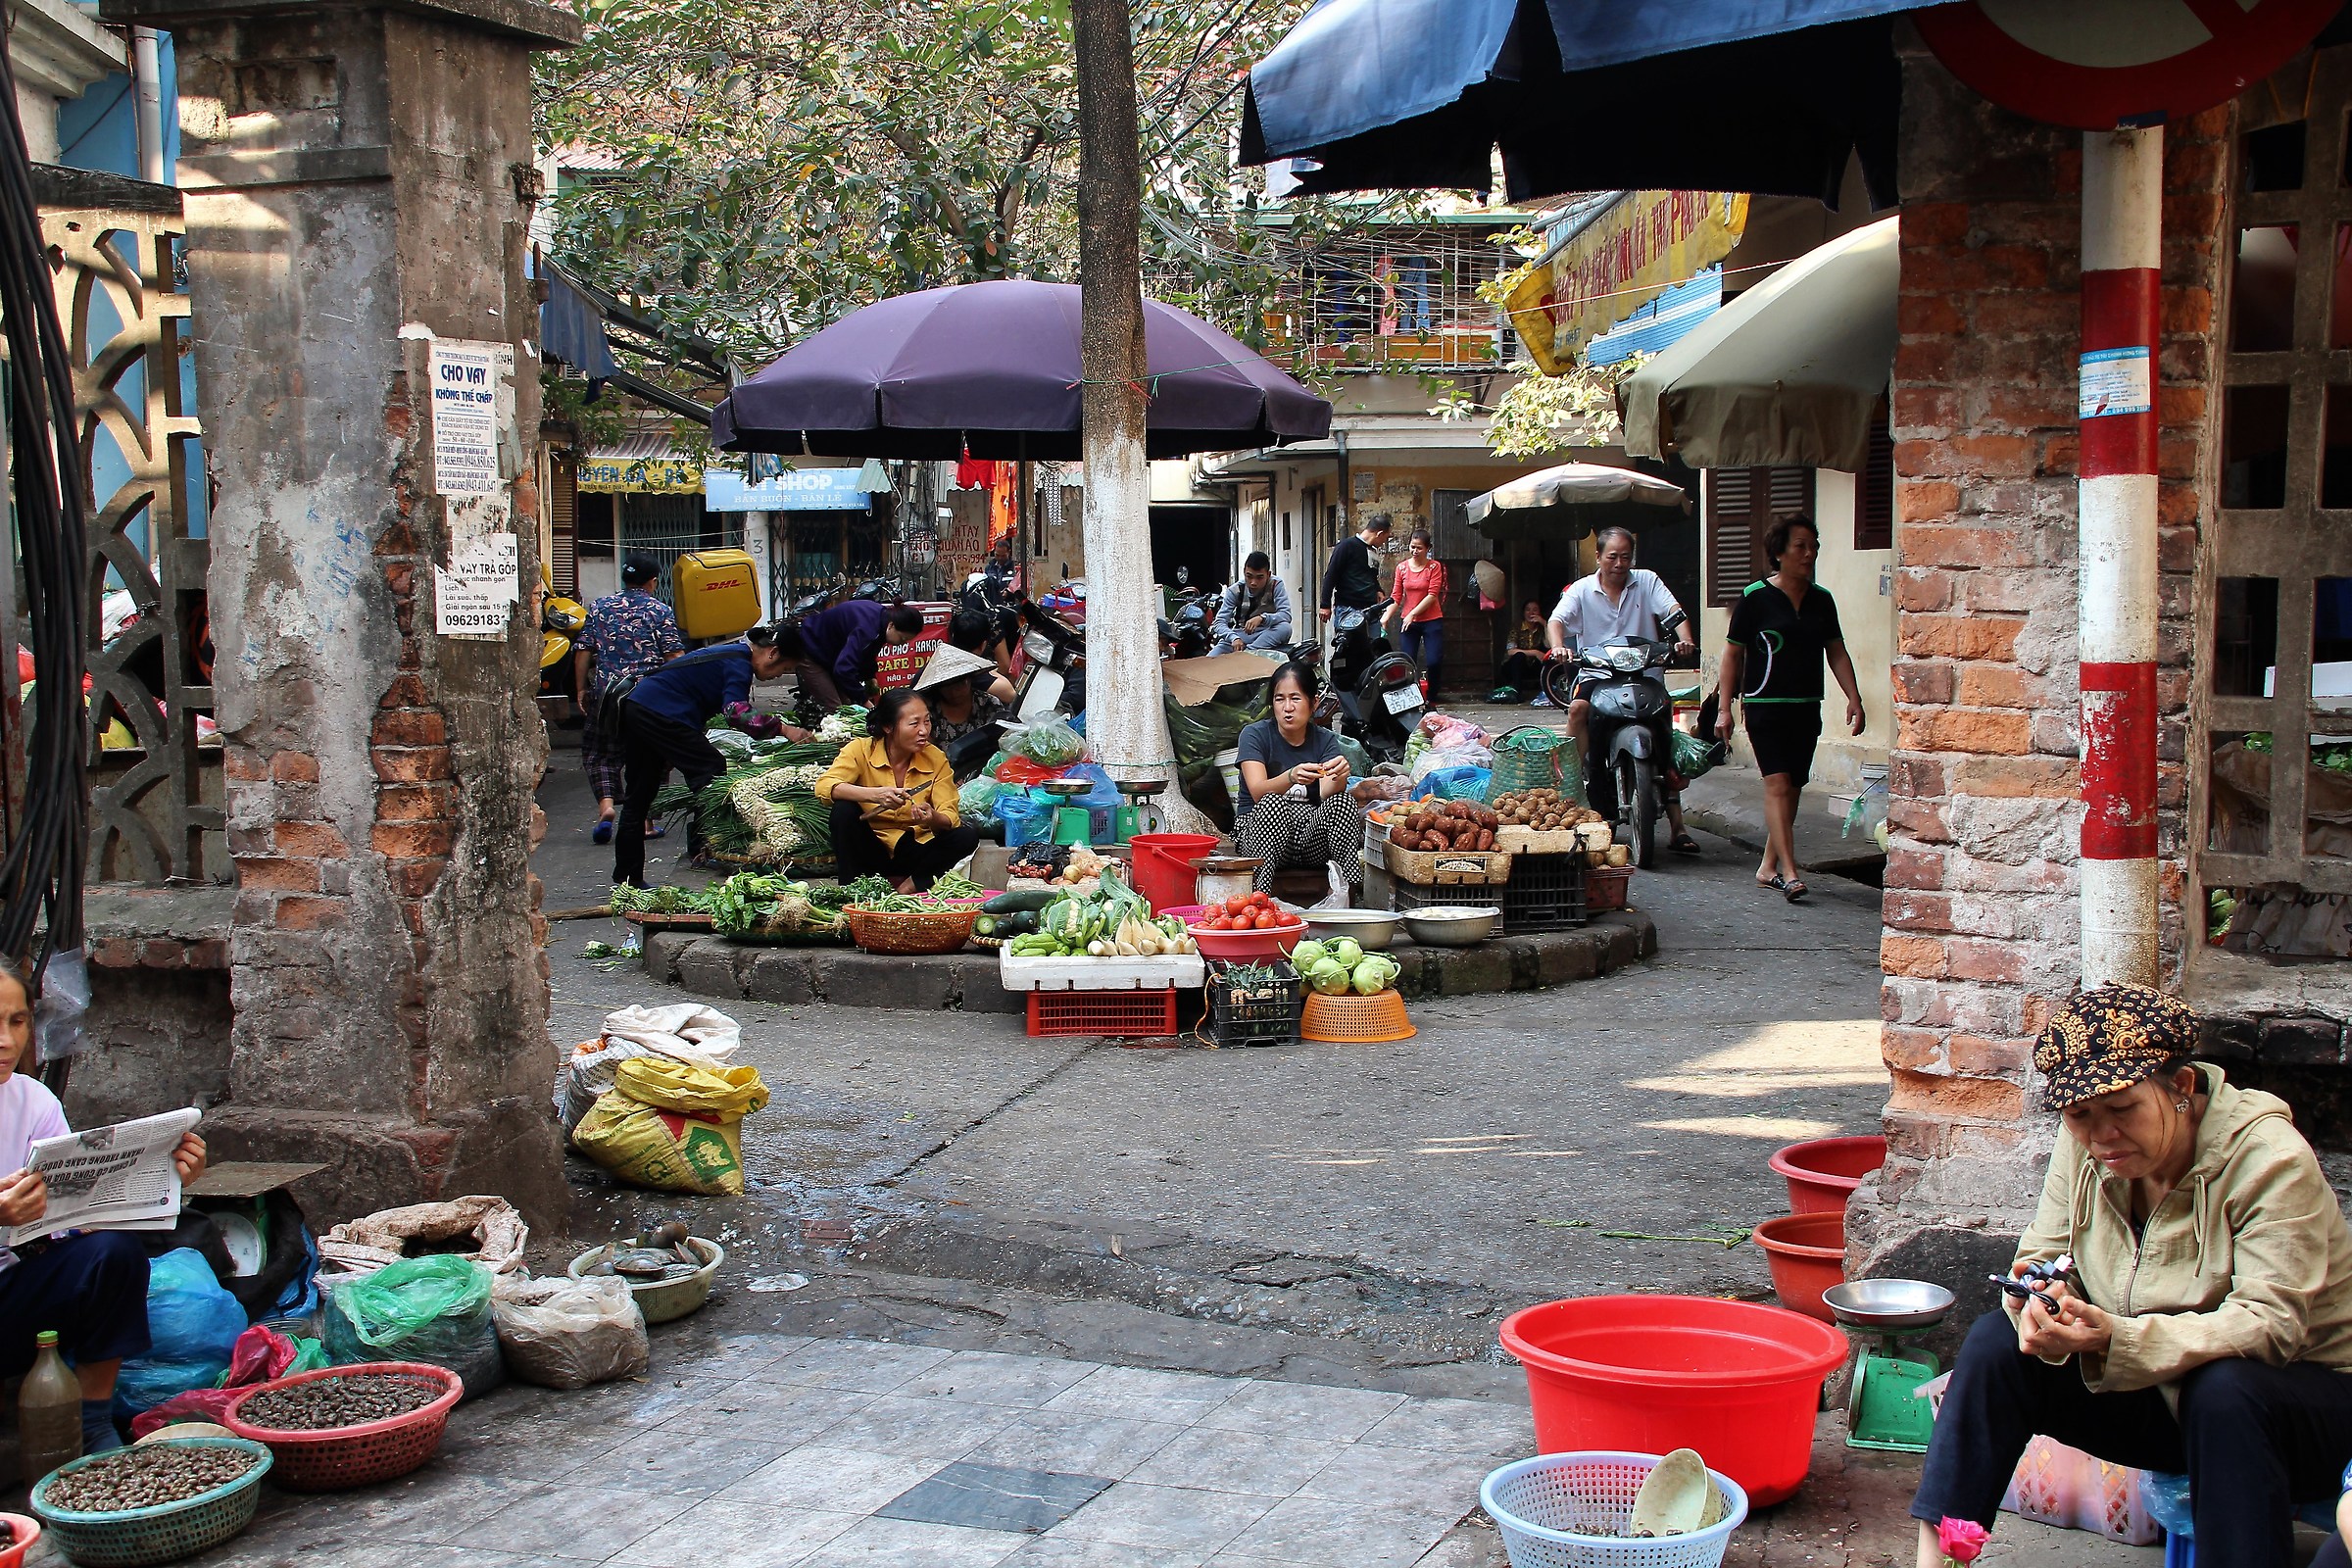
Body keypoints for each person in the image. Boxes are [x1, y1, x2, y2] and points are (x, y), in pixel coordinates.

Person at [1912, 984, 2352, 1568]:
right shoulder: (2091, 1147)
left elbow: (2271, 1327)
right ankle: (1940, 1557)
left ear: (2183, 1088)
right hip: (2164, 1396)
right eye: (2079, 1116)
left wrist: (2115, 1339)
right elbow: (2042, 1251)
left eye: (2123, 1110)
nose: (2101, 1136)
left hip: (2302, 1410)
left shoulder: (2269, 1160)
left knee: (2223, 1389)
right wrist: (2042, 1303)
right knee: (1996, 1343)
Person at [0, 958, 206, 1454]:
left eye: (17, 1021)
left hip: (11, 1292)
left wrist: (166, 1177)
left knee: (114, 1253)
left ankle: (91, 1419)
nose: (6, 1041)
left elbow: (75, 1213)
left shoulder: (33, 1102)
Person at [1713, 514, 1864, 903]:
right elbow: (1733, 654)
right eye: (1801, 546)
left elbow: (1836, 651)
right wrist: (1724, 709)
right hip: (1765, 705)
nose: (1809, 554)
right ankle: (1790, 873)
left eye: (1814, 547)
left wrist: (1854, 697)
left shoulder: (1822, 600)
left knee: (1793, 788)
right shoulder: (1754, 598)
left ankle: (1766, 867)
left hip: (1805, 706)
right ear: (1779, 553)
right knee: (1777, 785)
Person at [1547, 526, 1700, 856]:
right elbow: (1556, 621)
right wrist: (1559, 647)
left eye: (1625, 556)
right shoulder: (1582, 590)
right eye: (1612, 556)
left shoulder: (1647, 581)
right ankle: (1573, 782)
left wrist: (1685, 640)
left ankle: (1678, 826)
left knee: (1664, 733)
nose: (1619, 563)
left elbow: (1674, 614)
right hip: (1598, 674)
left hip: (1645, 675)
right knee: (1577, 710)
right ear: (1599, 557)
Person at [612, 625, 799, 887]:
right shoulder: (739, 662)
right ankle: (707, 847)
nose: (778, 675)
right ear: (773, 653)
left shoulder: (731, 653)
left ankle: (628, 878)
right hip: (663, 712)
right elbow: (735, 712)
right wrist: (784, 729)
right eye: (784, 668)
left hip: (640, 707)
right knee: (711, 770)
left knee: (640, 794)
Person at [815, 687, 981, 891]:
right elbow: (824, 786)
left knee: (966, 836)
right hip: (871, 847)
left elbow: (949, 815)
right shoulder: (861, 749)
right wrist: (875, 795)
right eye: (914, 723)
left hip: (915, 848)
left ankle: (909, 886)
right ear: (888, 727)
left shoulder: (935, 758)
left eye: (927, 721)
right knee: (843, 811)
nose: (924, 730)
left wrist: (932, 817)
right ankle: (852, 890)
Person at [572, 557, 682, 844]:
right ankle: (645, 822)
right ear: (652, 581)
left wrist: (581, 688)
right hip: (648, 696)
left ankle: (606, 806)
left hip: (608, 693)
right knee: (652, 757)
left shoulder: (600, 607)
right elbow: (673, 654)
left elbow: (583, 650)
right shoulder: (659, 610)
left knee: (600, 754)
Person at [1233, 662, 1367, 895]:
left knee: (1344, 802)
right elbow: (1257, 791)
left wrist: (1340, 775)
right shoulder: (1255, 735)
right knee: (1271, 803)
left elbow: (1327, 792)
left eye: (1295, 698)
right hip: (1262, 836)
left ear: (1313, 703)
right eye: (1279, 699)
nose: (1287, 708)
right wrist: (1290, 776)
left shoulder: (1324, 740)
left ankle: (1349, 895)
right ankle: (1260, 900)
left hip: (1309, 838)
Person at [790, 600, 926, 708]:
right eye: (902, 639)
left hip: (830, 655)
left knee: (847, 706)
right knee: (834, 708)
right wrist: (865, 701)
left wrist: (870, 676)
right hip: (810, 649)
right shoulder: (869, 629)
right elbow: (843, 670)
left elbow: (866, 654)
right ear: (891, 626)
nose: (902, 644)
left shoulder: (882, 620)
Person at [1385, 528, 1447, 689]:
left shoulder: (1434, 567)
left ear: (1428, 548)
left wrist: (1413, 613)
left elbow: (1432, 595)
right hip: (1408, 622)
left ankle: (1432, 699)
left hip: (1431, 620)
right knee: (1407, 662)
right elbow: (1396, 596)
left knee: (1434, 660)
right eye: (1412, 546)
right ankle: (1410, 697)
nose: (1414, 551)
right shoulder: (1402, 568)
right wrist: (1384, 618)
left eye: (1419, 548)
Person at [1212, 552, 1295, 654]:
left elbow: (1286, 615)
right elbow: (1219, 622)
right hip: (1240, 635)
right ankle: (1248, 653)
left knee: (1285, 628)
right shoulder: (1235, 590)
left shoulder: (1276, 585)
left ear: (1268, 575)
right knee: (1208, 663)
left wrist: (1262, 618)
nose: (1253, 582)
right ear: (1244, 572)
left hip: (1266, 634)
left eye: (1259, 577)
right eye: (1249, 576)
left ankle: (1249, 653)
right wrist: (1233, 638)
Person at [1318, 514, 1391, 624]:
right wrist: (1325, 605)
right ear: (1379, 534)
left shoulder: (1372, 551)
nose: (1384, 543)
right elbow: (1331, 575)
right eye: (1385, 538)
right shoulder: (1346, 546)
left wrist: (1378, 590)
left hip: (1370, 609)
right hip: (1348, 608)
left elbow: (1370, 576)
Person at [944, 611, 1017, 700]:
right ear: (983, 645)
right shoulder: (977, 675)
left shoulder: (936, 664)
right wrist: (989, 669)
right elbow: (1011, 694)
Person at [1494, 601, 1549, 703]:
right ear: (1523, 612)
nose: (1531, 613)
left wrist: (1545, 624)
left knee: (1547, 659)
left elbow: (1549, 645)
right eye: (1528, 610)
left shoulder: (1540, 629)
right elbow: (1511, 651)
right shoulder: (1517, 627)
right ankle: (1517, 692)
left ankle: (1548, 693)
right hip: (1512, 667)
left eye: (1535, 610)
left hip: (1530, 666)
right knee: (1519, 656)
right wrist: (1535, 652)